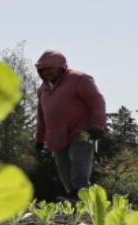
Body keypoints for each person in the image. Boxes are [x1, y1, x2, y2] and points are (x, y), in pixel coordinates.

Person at [35, 49, 106, 199]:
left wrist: (98, 125)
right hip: (57, 135)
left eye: (51, 68)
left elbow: (97, 100)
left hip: (81, 130)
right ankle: (74, 197)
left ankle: (81, 191)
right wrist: (40, 138)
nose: (48, 72)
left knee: (79, 159)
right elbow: (42, 115)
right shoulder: (43, 89)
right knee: (63, 167)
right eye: (44, 69)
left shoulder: (80, 79)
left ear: (61, 67)